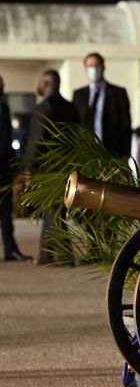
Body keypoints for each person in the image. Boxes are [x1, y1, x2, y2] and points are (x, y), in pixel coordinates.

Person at [23, 70, 80, 263]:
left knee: (53, 210)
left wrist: (29, 167)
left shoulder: (44, 107)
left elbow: (36, 140)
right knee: (54, 209)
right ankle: (47, 254)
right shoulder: (70, 108)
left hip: (48, 167)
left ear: (46, 84)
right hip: (68, 165)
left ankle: (63, 255)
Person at [71, 52, 132, 158]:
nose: (94, 69)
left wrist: (126, 154)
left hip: (111, 152)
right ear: (85, 69)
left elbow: (125, 125)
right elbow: (74, 124)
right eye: (90, 66)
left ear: (103, 67)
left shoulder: (118, 93)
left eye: (97, 65)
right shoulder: (79, 94)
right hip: (85, 153)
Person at [0, 75, 28, 261]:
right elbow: (4, 141)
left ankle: (11, 249)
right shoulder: (2, 108)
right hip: (2, 167)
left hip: (3, 166)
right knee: (5, 210)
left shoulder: (3, 107)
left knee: (5, 210)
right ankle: (10, 250)